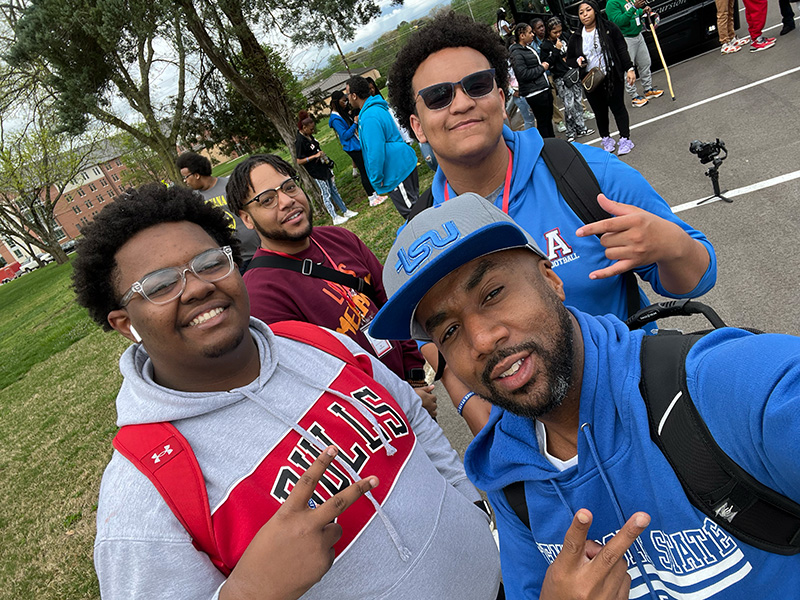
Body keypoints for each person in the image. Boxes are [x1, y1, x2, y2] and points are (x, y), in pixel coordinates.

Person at [73, 183, 502, 600]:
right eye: (161, 285)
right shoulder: (144, 490)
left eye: (209, 263)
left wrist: (472, 507)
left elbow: (413, 419)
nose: (199, 286)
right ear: (126, 324)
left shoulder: (314, 341)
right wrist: (250, 592)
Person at [370, 193, 800, 600]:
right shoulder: (507, 476)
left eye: (493, 294)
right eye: (449, 331)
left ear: (551, 279)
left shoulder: (716, 385)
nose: (482, 339)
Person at [387, 11, 716, 433]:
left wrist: (670, 246)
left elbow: (697, 279)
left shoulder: (585, 173)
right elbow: (431, 341)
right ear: (417, 126)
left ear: (502, 94)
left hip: (643, 409)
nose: (463, 103)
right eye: (438, 97)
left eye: (477, 85)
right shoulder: (421, 237)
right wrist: (471, 404)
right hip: (541, 443)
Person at [226, 154, 438, 419]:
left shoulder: (340, 239)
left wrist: (415, 381)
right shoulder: (261, 295)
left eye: (289, 187)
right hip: (371, 423)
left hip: (414, 395)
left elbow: (393, 307)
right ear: (247, 218)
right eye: (267, 199)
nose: (286, 200)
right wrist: (398, 404)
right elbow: (310, 388)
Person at [566, 0, 637, 155]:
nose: (585, 15)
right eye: (581, 12)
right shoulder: (577, 36)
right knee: (599, 112)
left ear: (595, 11)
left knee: (618, 107)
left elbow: (621, 48)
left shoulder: (609, 28)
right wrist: (577, 61)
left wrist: (629, 69)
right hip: (591, 80)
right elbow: (569, 58)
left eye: (588, 10)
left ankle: (625, 139)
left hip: (612, 75)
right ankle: (606, 139)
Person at [346, 76, 419, 218]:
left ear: (354, 95)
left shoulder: (368, 117)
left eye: (347, 94)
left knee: (413, 214)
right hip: (401, 163)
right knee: (415, 206)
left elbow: (375, 151)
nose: (347, 98)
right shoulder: (376, 108)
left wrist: (375, 177)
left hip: (396, 170)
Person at [177, 152, 260, 272]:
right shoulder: (195, 200)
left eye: (186, 177)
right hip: (234, 261)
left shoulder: (230, 186)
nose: (185, 181)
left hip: (257, 250)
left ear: (196, 175)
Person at [295, 112, 357, 226]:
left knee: (334, 190)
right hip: (316, 172)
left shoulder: (309, 136)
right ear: (304, 128)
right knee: (326, 193)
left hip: (324, 166)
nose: (312, 131)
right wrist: (314, 156)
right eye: (311, 129)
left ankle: (345, 210)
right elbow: (299, 161)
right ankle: (334, 216)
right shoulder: (300, 141)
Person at [327, 91, 387, 208]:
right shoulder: (335, 119)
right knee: (363, 171)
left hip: (357, 144)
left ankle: (375, 194)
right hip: (352, 147)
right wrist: (355, 123)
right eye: (343, 101)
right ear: (336, 102)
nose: (345, 103)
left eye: (346, 100)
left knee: (367, 169)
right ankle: (371, 197)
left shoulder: (341, 113)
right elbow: (344, 135)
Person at [540, 17, 595, 142]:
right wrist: (556, 50)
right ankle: (571, 131)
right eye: (555, 32)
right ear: (549, 31)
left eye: (559, 31)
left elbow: (573, 50)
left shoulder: (564, 36)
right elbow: (547, 63)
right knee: (568, 105)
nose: (558, 34)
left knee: (577, 101)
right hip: (561, 78)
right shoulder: (545, 46)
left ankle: (581, 127)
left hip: (573, 72)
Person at [605, 0, 664, 107]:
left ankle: (648, 89)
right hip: (625, 38)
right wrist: (634, 8)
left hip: (638, 35)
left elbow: (636, 12)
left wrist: (642, 11)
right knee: (628, 68)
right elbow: (617, 22)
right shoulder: (612, 3)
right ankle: (634, 96)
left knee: (645, 62)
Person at [510, 22, 556, 139]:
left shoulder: (527, 48)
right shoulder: (516, 53)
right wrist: (542, 68)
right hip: (535, 93)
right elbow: (523, 74)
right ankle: (547, 145)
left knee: (547, 120)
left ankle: (552, 142)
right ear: (521, 35)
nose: (532, 35)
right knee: (542, 122)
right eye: (530, 32)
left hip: (543, 88)